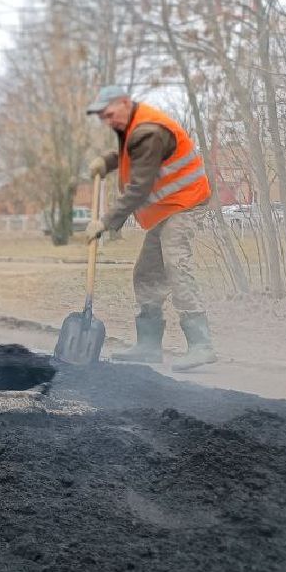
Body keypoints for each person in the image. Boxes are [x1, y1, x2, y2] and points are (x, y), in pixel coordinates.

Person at [85, 85, 217, 371]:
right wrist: (108, 162)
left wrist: (105, 223)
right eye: (103, 119)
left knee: (175, 263)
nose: (108, 122)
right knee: (146, 272)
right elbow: (130, 156)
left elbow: (139, 188)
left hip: (185, 202)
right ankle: (148, 345)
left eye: (109, 115)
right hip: (168, 208)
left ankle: (201, 344)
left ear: (124, 102)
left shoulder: (148, 131)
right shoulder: (135, 126)